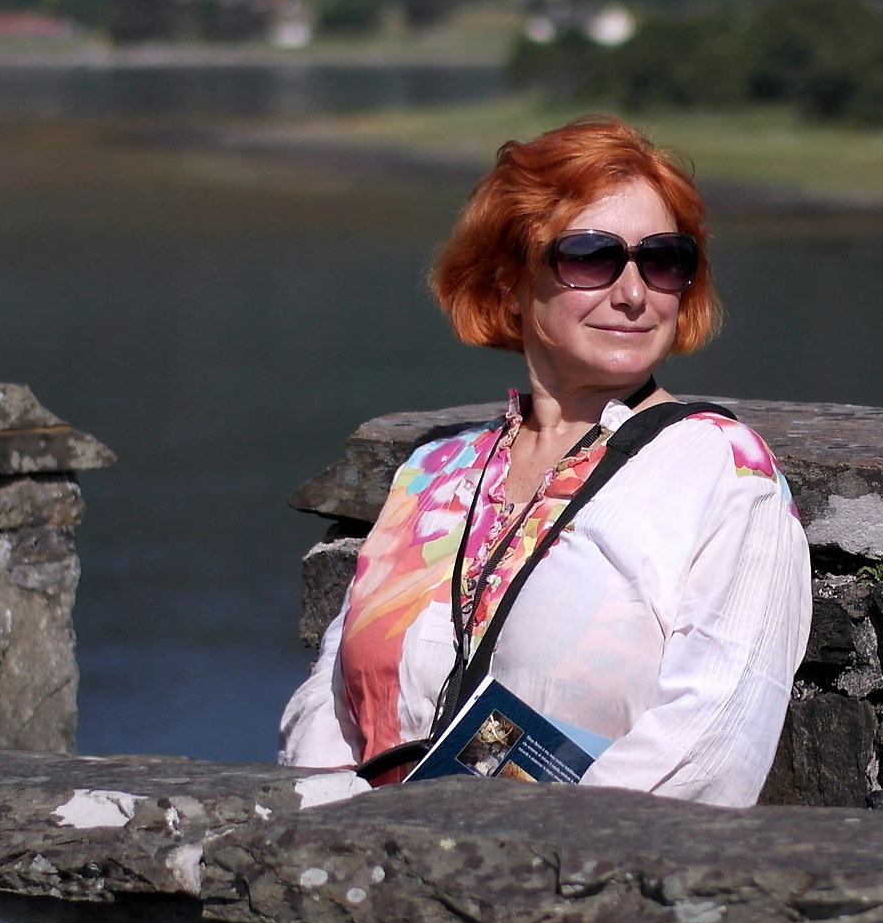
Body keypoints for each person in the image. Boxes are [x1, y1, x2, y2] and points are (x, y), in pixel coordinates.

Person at [279, 116, 810, 806]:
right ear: (508, 282)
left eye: (663, 260)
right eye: (590, 256)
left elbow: (708, 749)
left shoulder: (724, 475)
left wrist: (496, 864)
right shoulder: (434, 471)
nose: (632, 292)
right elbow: (329, 704)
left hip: (566, 890)